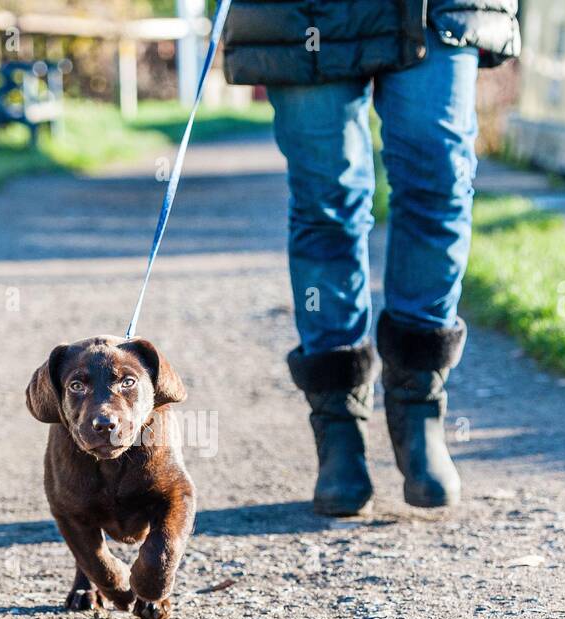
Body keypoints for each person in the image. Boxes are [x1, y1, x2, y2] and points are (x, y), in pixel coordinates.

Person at [222, 1, 520, 515]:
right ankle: (338, 426)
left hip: (435, 9)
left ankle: (419, 403)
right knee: (325, 199)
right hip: (305, 11)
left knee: (441, 177)